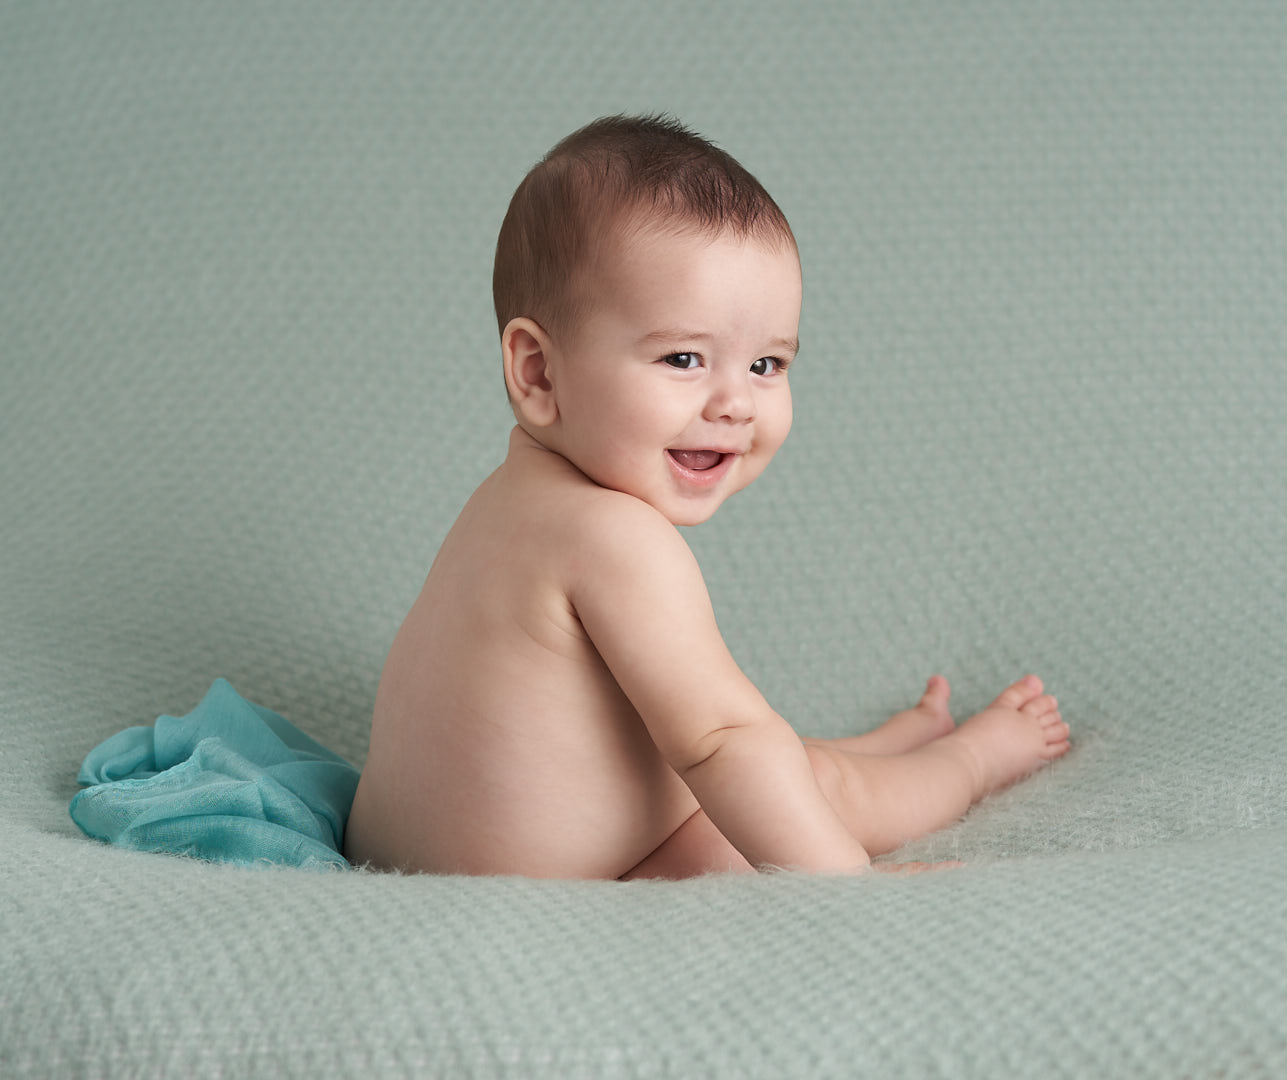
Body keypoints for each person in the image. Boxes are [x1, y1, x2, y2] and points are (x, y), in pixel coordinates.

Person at [343, 115, 1070, 879]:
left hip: (395, 862)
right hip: (566, 889)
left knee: (761, 759)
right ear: (539, 374)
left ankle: (894, 737)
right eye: (684, 357)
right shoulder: (617, 539)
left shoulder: (503, 507)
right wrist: (849, 894)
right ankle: (976, 758)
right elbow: (722, 740)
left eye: (767, 364)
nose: (736, 404)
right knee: (806, 789)